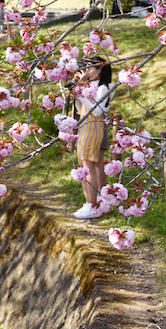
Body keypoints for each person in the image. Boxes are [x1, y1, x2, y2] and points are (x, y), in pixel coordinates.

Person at [70, 57, 113, 220]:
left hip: (93, 127)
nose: (87, 71)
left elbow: (96, 111)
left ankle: (92, 204)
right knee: (84, 165)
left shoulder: (103, 88)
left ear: (100, 70)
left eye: (90, 68)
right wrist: (77, 94)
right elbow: (82, 109)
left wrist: (80, 92)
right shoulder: (91, 86)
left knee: (88, 166)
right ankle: (89, 201)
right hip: (85, 127)